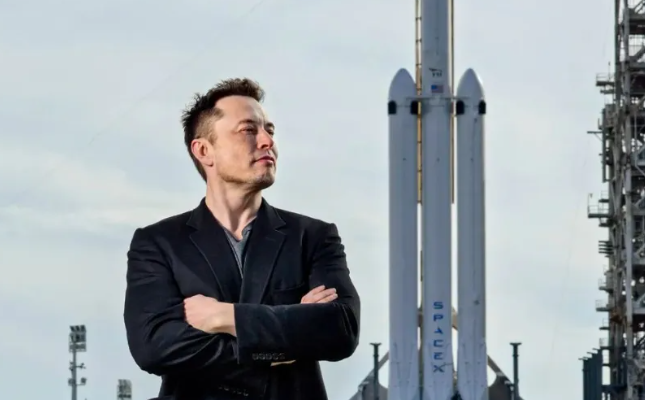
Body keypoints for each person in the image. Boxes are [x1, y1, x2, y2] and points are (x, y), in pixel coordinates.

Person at [123, 78, 361, 400]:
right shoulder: (158, 243)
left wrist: (224, 316)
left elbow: (341, 329)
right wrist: (283, 340)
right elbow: (154, 347)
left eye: (270, 130)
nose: (267, 141)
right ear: (204, 150)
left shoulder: (313, 237)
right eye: (248, 130)